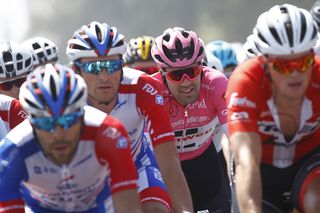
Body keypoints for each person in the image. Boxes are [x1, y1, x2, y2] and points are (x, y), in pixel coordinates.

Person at [66, 21, 193, 213]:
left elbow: (169, 162)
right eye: (93, 68)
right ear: (76, 71)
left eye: (112, 65)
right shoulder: (64, 99)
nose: (104, 76)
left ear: (122, 66)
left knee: (155, 209)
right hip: (85, 175)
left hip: (138, 163)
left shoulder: (142, 87)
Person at [0, 63, 142, 213]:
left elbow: (128, 207)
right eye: (46, 123)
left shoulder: (109, 132)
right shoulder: (12, 151)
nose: (58, 135)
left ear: (82, 116)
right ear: (31, 122)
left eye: (68, 121)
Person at [226, 4, 320, 213]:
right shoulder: (245, 81)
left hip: (310, 164)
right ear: (265, 62)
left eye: (304, 63)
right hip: (261, 168)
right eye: (283, 66)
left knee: (317, 199)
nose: (294, 74)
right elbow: (246, 160)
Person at [151, 27, 231, 213]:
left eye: (192, 71)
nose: (186, 82)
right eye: (176, 75)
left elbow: (235, 138)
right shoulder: (152, 92)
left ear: (201, 67)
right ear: (162, 73)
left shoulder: (216, 84)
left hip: (205, 164)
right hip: (165, 170)